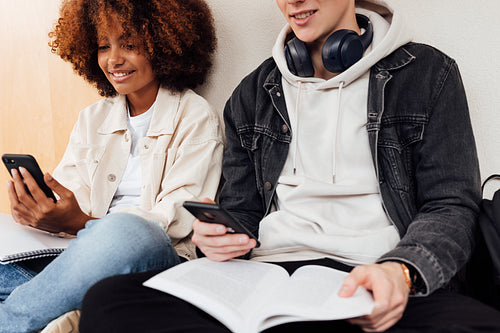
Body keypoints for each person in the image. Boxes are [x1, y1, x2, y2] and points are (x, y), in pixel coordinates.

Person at [79, 0, 500, 332]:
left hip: (374, 275)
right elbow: (243, 212)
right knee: (110, 302)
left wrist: (401, 270)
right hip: (269, 274)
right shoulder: (251, 93)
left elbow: (451, 204)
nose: (292, 1)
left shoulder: (429, 73)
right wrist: (216, 236)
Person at [0, 0, 222, 331]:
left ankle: (14, 318)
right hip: (77, 253)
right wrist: (37, 210)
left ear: (164, 46)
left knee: (123, 232)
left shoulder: (195, 116)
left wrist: (82, 222)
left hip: (155, 256)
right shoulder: (92, 118)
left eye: (129, 45)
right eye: (104, 46)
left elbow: (172, 223)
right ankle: (57, 305)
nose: (114, 59)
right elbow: (68, 193)